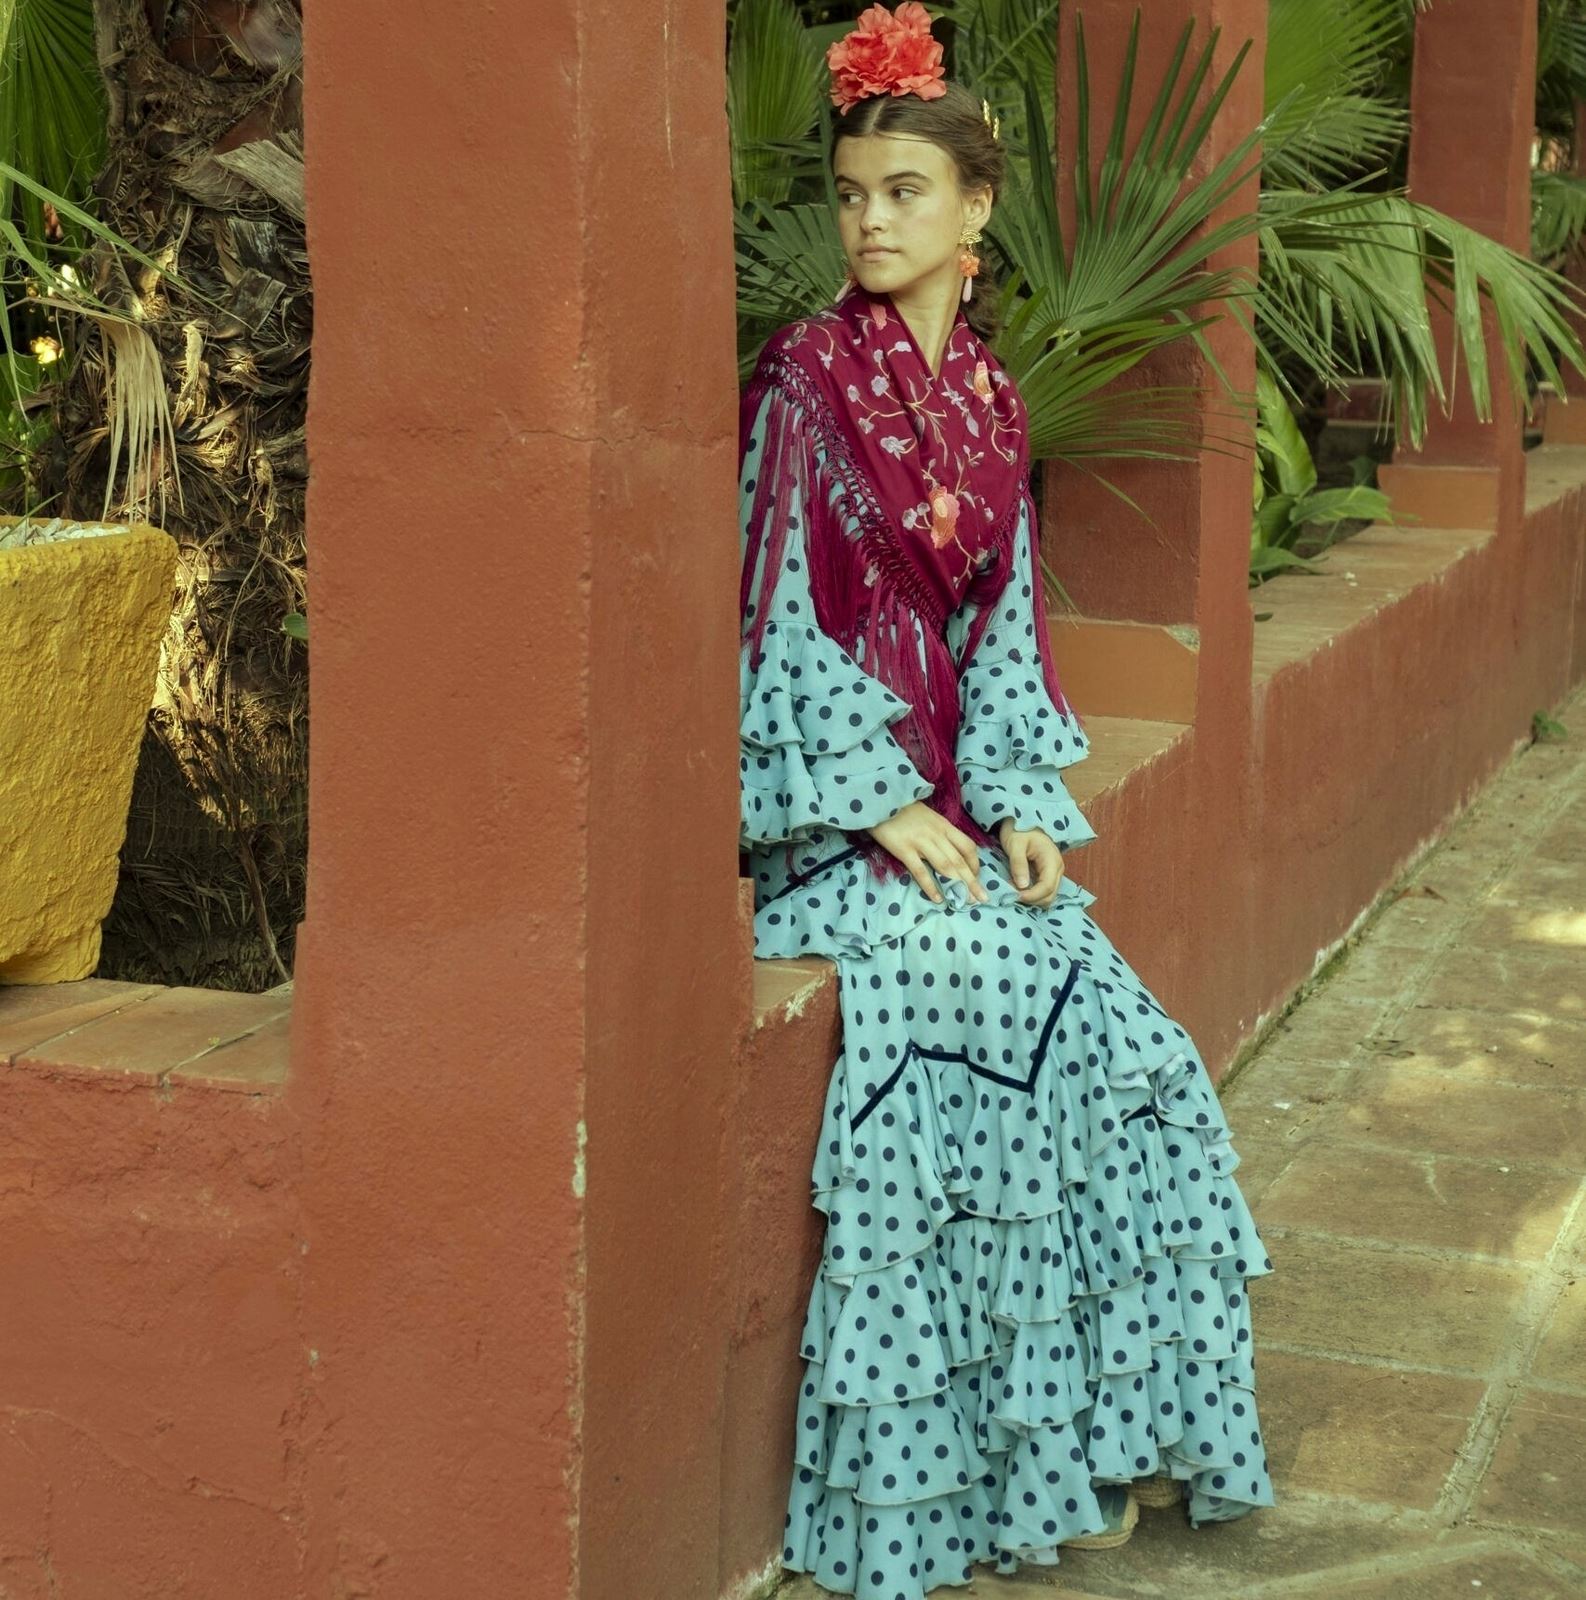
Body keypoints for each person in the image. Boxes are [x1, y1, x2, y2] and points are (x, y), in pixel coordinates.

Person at [737, 7, 1275, 1596]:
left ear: (975, 209)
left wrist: (1018, 797)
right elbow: (768, 614)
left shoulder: (990, 395)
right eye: (851, 195)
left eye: (904, 192)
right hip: (834, 827)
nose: (870, 221)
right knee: (988, 1005)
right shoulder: (803, 379)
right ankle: (969, 1478)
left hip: (960, 820)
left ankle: (1095, 1428)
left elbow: (1001, 622)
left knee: (1130, 1044)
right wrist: (873, 802)